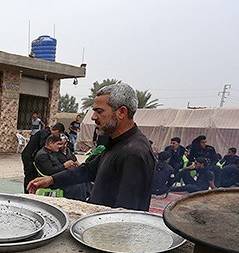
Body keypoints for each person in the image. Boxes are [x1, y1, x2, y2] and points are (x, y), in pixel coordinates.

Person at [27, 83, 156, 212]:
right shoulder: (117, 143)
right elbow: (88, 170)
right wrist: (51, 179)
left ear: (121, 112)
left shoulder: (134, 152)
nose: (94, 117)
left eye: (99, 111)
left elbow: (127, 214)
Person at [34, 134, 85, 200]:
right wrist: (64, 166)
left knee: (83, 181)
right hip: (51, 180)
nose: (59, 146)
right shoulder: (43, 155)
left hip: (58, 177)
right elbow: (49, 171)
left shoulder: (52, 152)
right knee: (78, 186)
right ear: (50, 143)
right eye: (58, 144)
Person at [22, 122, 64, 193]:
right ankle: (27, 192)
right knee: (29, 174)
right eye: (58, 134)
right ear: (57, 131)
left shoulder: (47, 133)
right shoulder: (45, 133)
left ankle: (32, 191)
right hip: (28, 156)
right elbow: (43, 145)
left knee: (34, 175)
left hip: (32, 156)